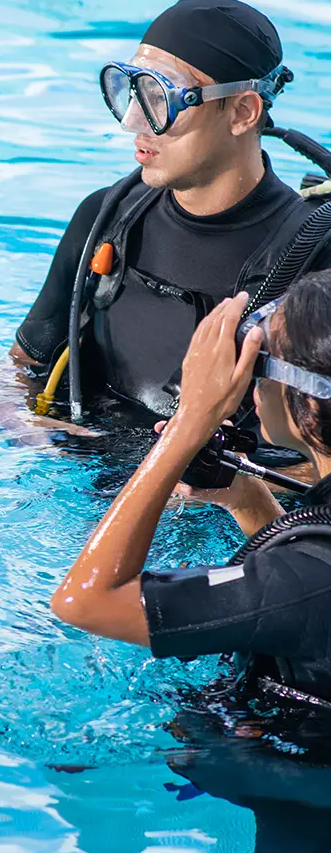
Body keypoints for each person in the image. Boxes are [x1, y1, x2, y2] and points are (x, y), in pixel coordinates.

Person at [0, 0, 331, 442]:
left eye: (159, 97)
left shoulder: (314, 259)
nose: (134, 121)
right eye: (130, 91)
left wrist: (218, 483)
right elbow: (18, 368)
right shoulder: (107, 218)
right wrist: (35, 434)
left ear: (243, 112)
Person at [50, 270, 331, 701]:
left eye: (259, 362)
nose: (251, 382)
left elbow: (85, 603)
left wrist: (190, 422)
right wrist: (247, 500)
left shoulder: (309, 583)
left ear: (310, 402)